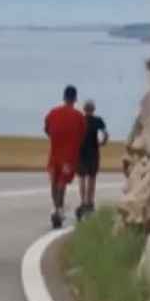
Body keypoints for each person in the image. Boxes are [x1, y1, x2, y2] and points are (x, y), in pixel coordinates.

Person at [43, 84, 87, 229]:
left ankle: (56, 208)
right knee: (62, 182)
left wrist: (56, 138)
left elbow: (47, 129)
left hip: (55, 152)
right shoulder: (79, 117)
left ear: (64, 97)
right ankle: (59, 209)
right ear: (75, 98)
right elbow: (82, 136)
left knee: (54, 180)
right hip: (69, 155)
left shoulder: (53, 113)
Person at [75, 99, 109, 220]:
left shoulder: (79, 119)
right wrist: (102, 143)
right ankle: (90, 202)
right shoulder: (98, 120)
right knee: (92, 178)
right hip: (93, 152)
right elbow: (105, 134)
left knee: (82, 178)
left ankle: (83, 201)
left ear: (84, 109)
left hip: (81, 152)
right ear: (93, 109)